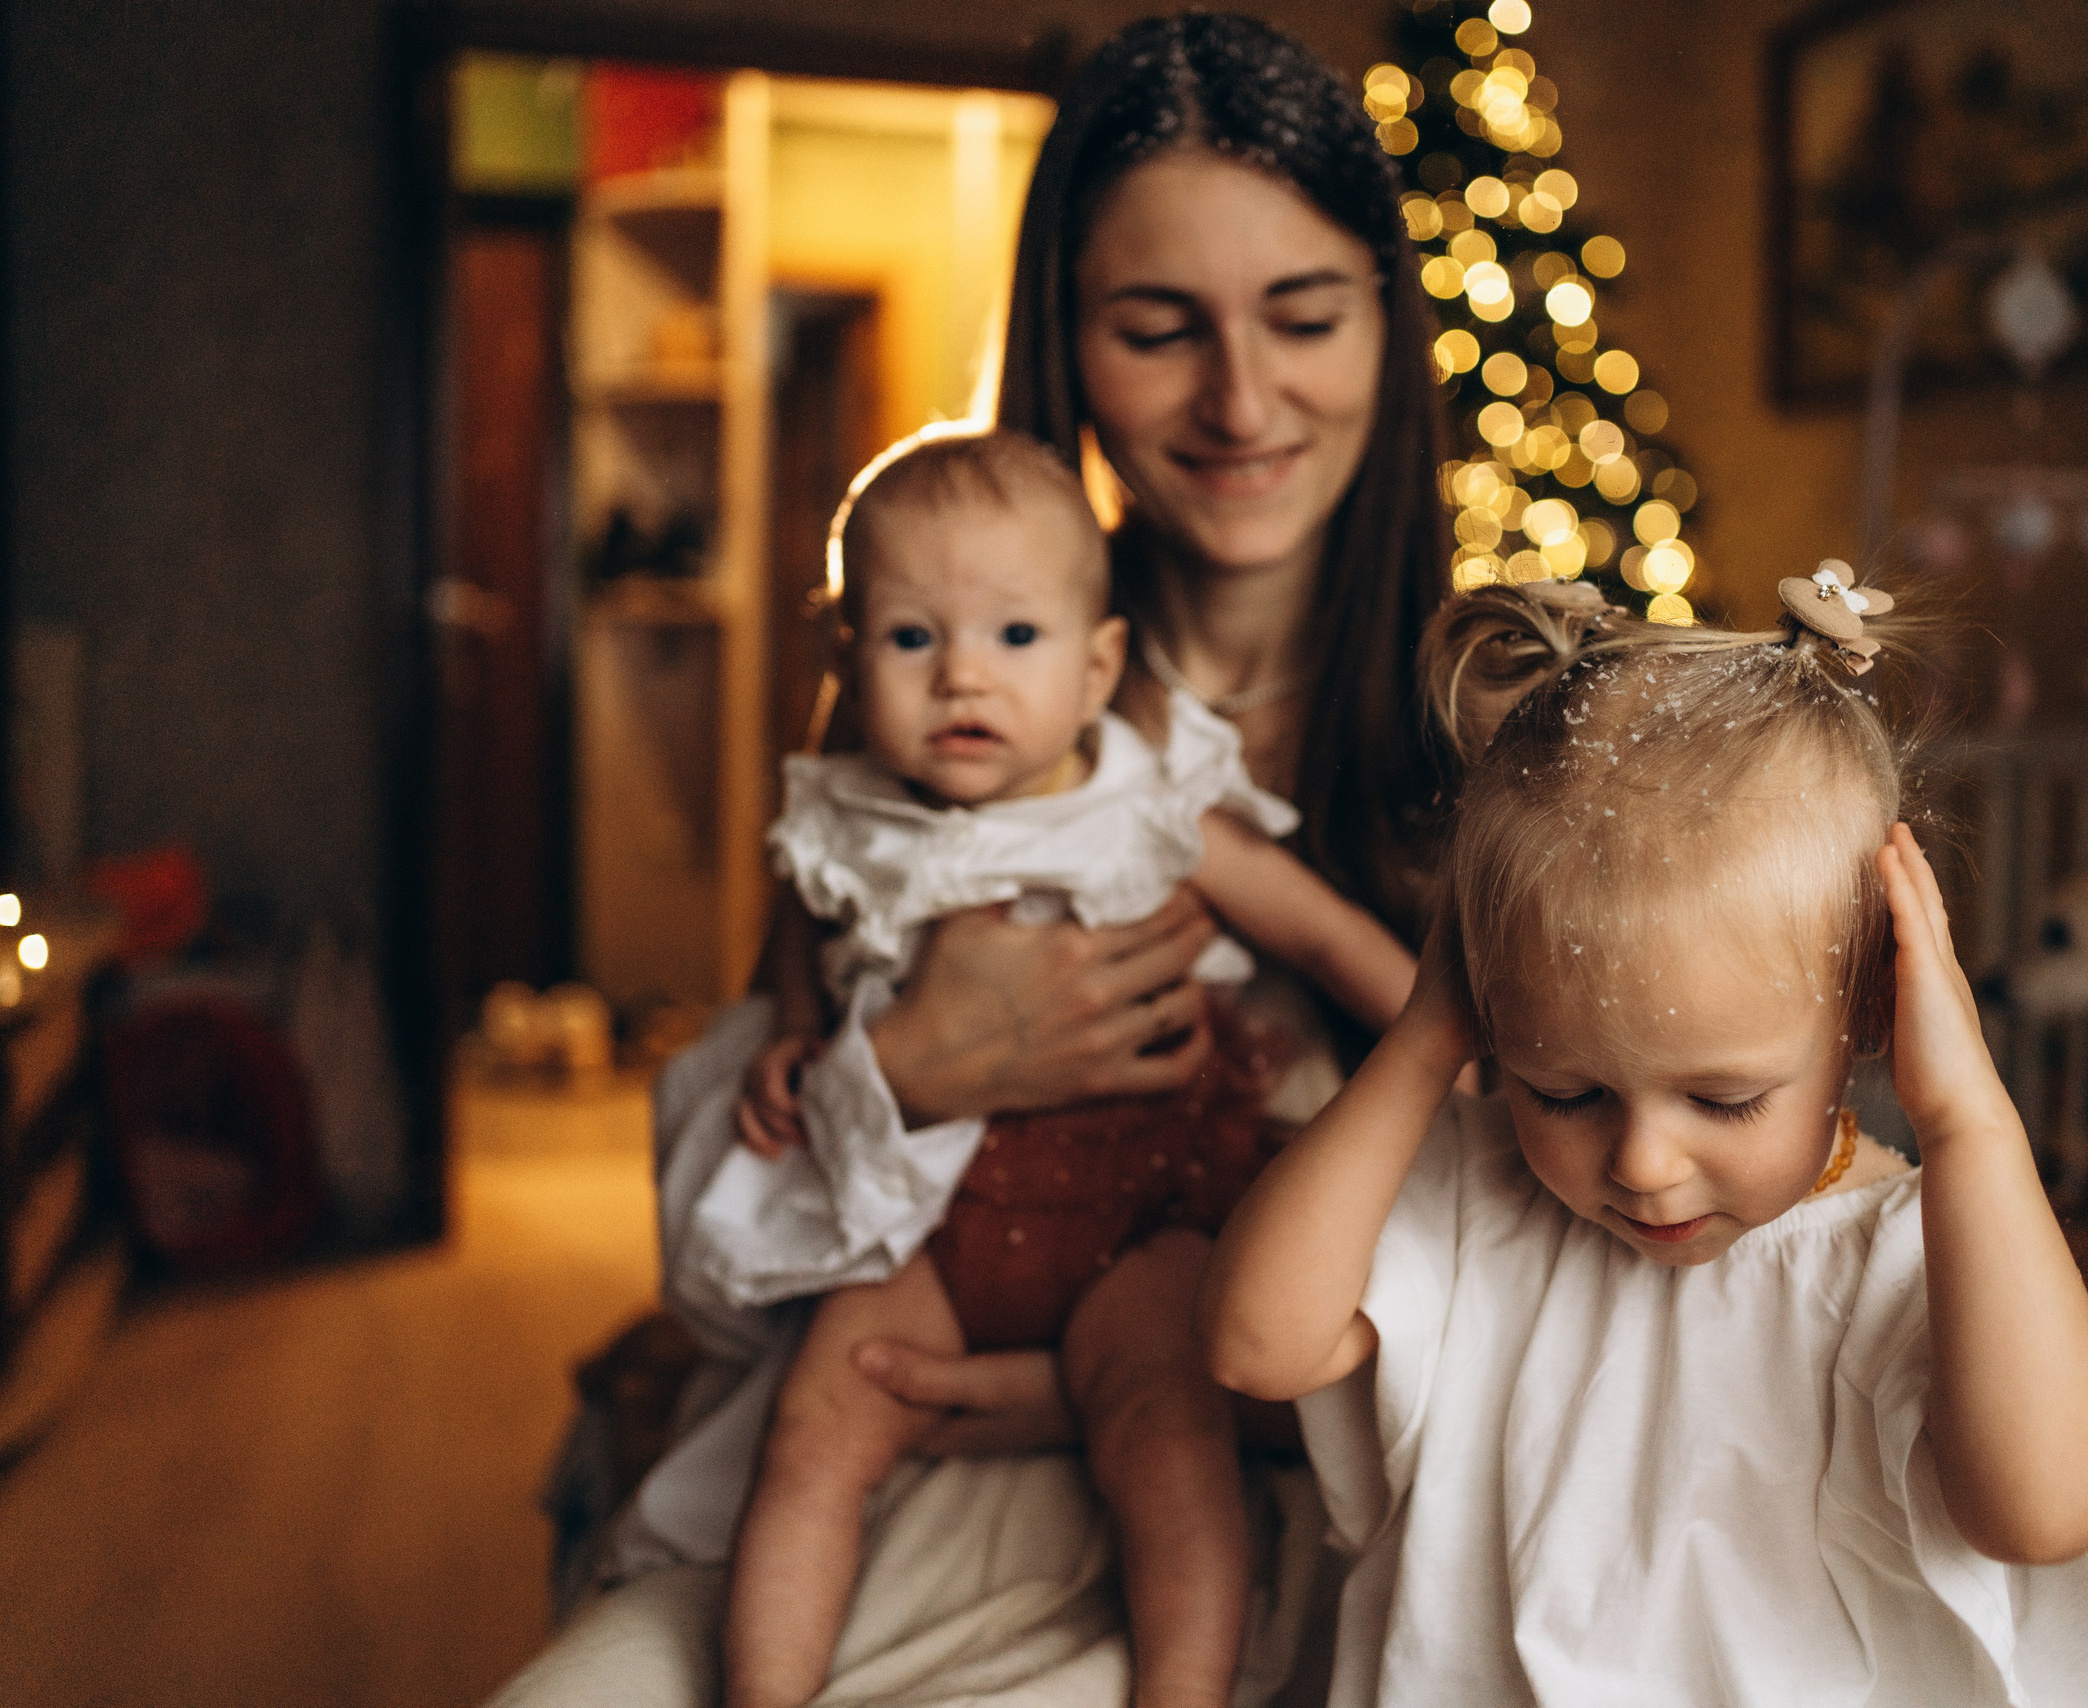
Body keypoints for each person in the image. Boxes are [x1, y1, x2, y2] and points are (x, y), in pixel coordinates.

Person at [488, 17, 1449, 1706]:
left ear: (1389, 321)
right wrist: (909, 1065)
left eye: (1303, 315)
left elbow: (1583, 1197)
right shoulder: (927, 711)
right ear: (1067, 341)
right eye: (1158, 328)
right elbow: (716, 1255)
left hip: (1280, 1476)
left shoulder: (1484, 733)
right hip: (895, 1438)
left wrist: (1124, 1379)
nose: (1240, 399)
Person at [1201, 574, 2088, 1705]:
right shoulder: (1471, 1183)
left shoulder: (1910, 1250)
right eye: (1566, 1091)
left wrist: (1969, 1123)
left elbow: (2044, 1511)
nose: (1643, 1163)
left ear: (1871, 1017)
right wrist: (1420, 1039)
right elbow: (1256, 1344)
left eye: (1724, 1100)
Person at [701, 425, 1412, 1708]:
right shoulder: (845, 817)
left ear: (1097, 671)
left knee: (1166, 1425)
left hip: (1138, 1208)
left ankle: (1180, 1693)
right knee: (812, 1429)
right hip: (929, 1222)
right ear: (848, 654)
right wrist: (802, 1039)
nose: (961, 676)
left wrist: (1450, 1052)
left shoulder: (1146, 808)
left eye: (1013, 639)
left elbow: (1315, 926)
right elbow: (810, 933)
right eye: (913, 638)